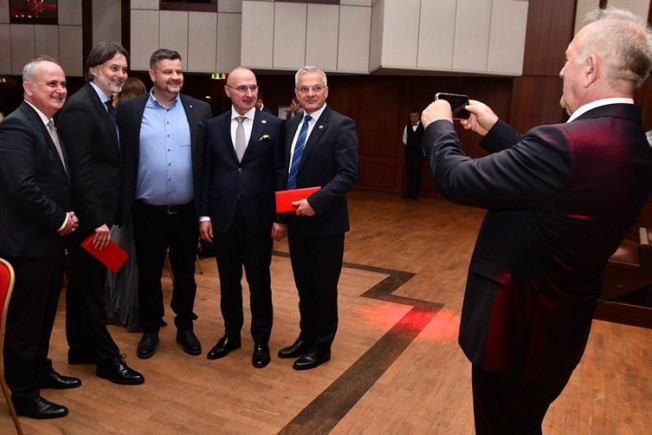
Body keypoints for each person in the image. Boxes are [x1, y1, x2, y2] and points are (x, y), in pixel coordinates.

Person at [420, 6, 652, 433]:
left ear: (590, 69)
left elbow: (456, 179)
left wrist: (437, 127)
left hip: (515, 335)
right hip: (557, 331)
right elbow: (559, 180)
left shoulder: (564, 144)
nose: (561, 70)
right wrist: (496, 131)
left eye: (567, 59)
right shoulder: (632, 140)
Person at [57, 41, 144, 386]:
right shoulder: (81, 108)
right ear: (94, 69)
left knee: (83, 285)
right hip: (91, 222)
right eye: (113, 68)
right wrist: (97, 222)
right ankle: (107, 359)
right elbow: (79, 174)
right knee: (92, 289)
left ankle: (80, 348)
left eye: (124, 69)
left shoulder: (105, 105)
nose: (120, 75)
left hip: (100, 217)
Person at [116, 48, 212, 359]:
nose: (175, 77)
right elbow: (120, 159)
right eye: (168, 72)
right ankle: (150, 329)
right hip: (147, 212)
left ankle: (185, 327)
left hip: (186, 212)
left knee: (185, 275)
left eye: (178, 71)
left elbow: (206, 165)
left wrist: (205, 213)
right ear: (152, 74)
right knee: (148, 275)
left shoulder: (200, 110)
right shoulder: (129, 110)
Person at [0, 56, 79, 419]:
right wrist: (60, 218)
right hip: (26, 245)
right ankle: (23, 394)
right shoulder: (17, 127)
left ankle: (40, 369)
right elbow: (22, 187)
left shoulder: (47, 123)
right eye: (52, 84)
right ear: (28, 88)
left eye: (62, 83)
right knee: (25, 323)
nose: (60, 89)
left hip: (47, 242)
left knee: (45, 314)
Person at [199, 67, 285, 368]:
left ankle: (261, 340)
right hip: (223, 218)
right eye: (242, 88)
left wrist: (279, 217)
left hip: (259, 219)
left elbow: (280, 174)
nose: (249, 94)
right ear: (228, 91)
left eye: (253, 87)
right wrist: (204, 215)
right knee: (228, 281)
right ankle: (231, 334)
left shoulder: (274, 126)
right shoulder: (214, 126)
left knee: (259, 282)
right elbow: (206, 173)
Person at [277, 66, 359, 370]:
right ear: (296, 93)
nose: (310, 94)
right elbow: (285, 171)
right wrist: (281, 215)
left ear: (326, 91)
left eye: (316, 88)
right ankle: (306, 336)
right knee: (304, 286)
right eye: (304, 89)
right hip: (296, 221)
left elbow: (348, 174)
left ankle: (322, 347)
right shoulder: (291, 125)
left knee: (324, 289)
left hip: (325, 223)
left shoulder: (341, 125)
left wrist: (315, 202)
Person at [105, 76, 148, 332]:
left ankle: (121, 309)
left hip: (124, 204)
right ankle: (122, 308)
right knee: (122, 259)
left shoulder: (125, 126)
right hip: (127, 203)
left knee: (119, 259)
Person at [401, 110, 424, 199]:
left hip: (418, 152)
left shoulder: (423, 127)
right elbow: (404, 139)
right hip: (409, 152)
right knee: (409, 172)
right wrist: (410, 145)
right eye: (412, 116)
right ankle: (408, 192)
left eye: (415, 116)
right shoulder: (407, 127)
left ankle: (415, 192)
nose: (414, 118)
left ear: (419, 117)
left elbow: (425, 139)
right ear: (410, 117)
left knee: (416, 172)